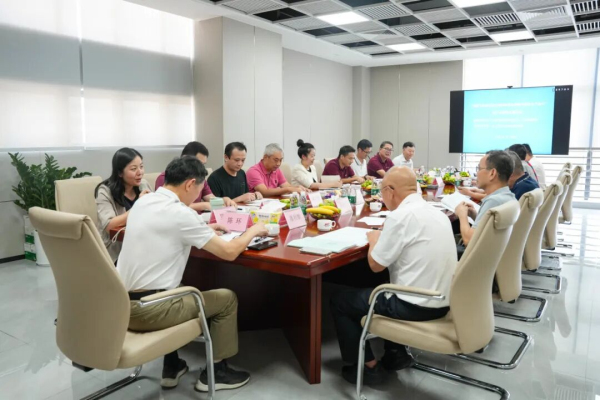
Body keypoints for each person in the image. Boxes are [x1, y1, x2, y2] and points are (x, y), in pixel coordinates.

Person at [116, 156, 268, 392]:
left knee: (176, 284)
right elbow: (229, 252)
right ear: (189, 184)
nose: (198, 196)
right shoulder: (180, 213)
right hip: (151, 310)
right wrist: (254, 230)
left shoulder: (144, 202)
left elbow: (165, 229)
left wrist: (205, 229)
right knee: (226, 299)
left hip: (120, 305)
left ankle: (172, 365)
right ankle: (216, 372)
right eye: (198, 189)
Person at [330, 167, 457, 385]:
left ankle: (368, 367)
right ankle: (395, 353)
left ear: (390, 190)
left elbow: (375, 265)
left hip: (414, 306)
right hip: (444, 300)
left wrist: (374, 240)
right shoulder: (437, 212)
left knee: (340, 301)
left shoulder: (400, 217)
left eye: (382, 192)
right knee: (387, 281)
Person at [95, 147, 152, 263]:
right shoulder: (105, 191)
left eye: (141, 166)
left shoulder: (143, 185)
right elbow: (109, 226)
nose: (140, 172)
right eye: (133, 169)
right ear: (120, 172)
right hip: (117, 252)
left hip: (143, 245)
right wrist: (139, 206)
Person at [455, 150, 517, 246]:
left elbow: (469, 240)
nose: (477, 173)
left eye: (479, 168)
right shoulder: (508, 196)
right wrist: (474, 215)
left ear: (492, 173)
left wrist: (462, 215)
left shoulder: (493, 201)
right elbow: (491, 228)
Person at [155, 142, 236, 211]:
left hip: (199, 219)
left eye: (203, 164)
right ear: (186, 159)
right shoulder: (167, 177)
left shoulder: (200, 178)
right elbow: (170, 207)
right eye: (199, 163)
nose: (201, 168)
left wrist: (223, 200)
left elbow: (210, 198)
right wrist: (203, 205)